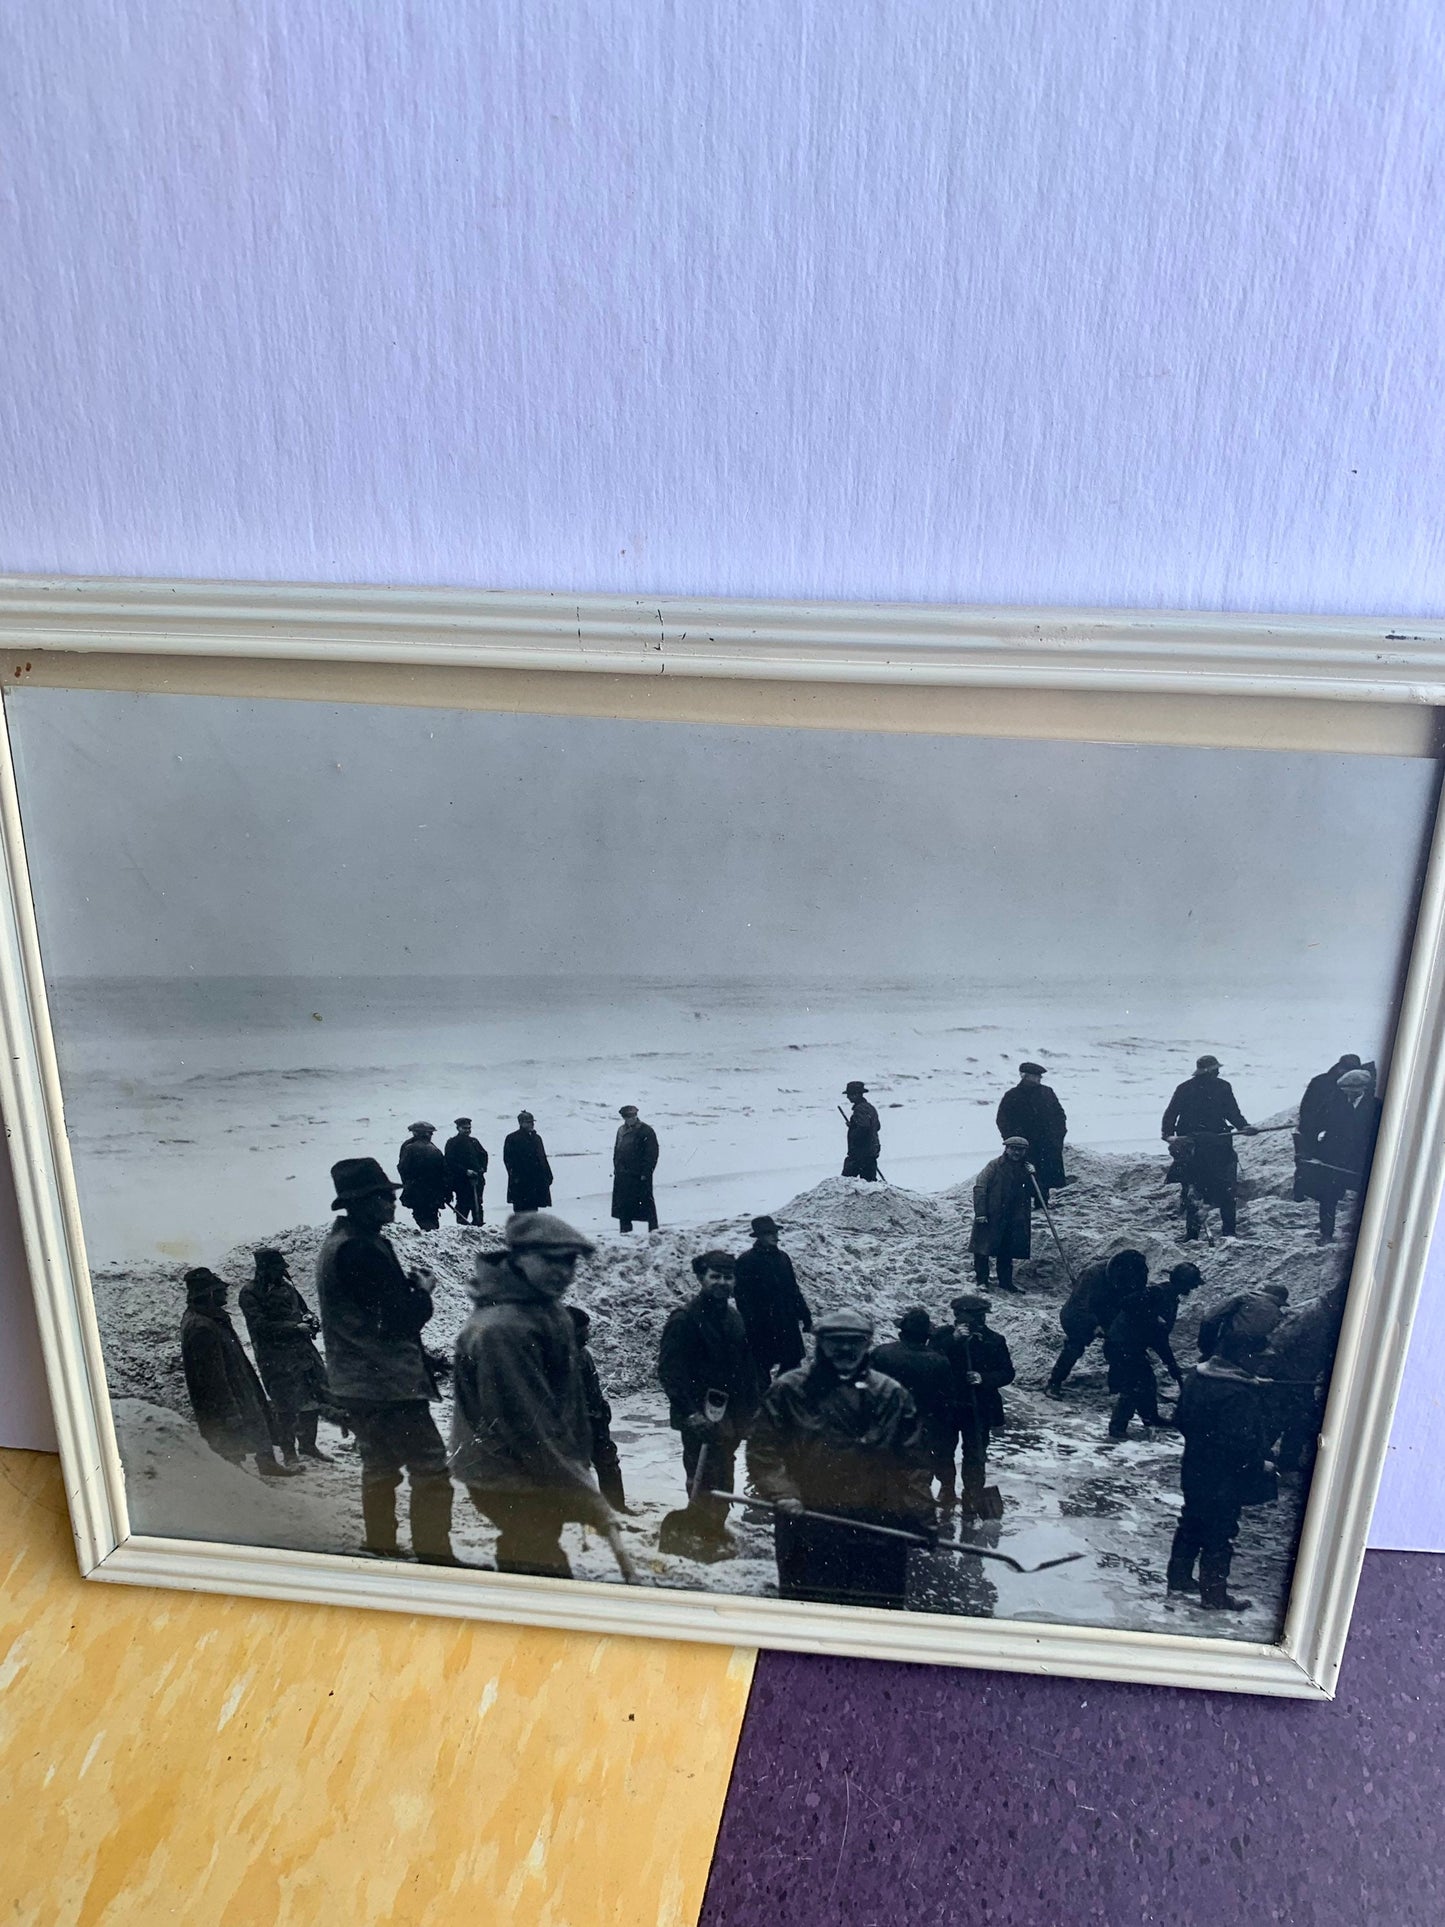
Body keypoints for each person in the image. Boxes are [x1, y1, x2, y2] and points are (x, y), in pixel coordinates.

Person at [451, 1212, 616, 1577]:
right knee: (537, 1556)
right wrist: (585, 1491)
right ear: (519, 1257)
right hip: (505, 1472)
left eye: (569, 1261)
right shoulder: (503, 1329)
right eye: (550, 1259)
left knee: (531, 1547)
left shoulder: (541, 1305)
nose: (563, 1272)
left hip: (529, 1465)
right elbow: (528, 1423)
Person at [315, 1157, 458, 1563]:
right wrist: (424, 1291)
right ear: (359, 1202)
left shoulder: (339, 1245)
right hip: (388, 1384)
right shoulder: (362, 1250)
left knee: (379, 1466)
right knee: (430, 1469)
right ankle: (436, 1557)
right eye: (382, 1197)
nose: (392, 1203)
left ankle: (380, 1546)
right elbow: (399, 1320)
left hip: (356, 1382)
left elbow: (369, 1312)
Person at [748, 1308, 936, 1610]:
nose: (846, 1348)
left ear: (867, 1344)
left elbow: (913, 1463)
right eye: (836, 1341)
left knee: (875, 1618)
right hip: (809, 1523)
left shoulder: (891, 1395)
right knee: (809, 1614)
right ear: (819, 1343)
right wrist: (783, 1493)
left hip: (877, 1528)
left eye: (855, 1341)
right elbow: (763, 1452)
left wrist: (922, 1518)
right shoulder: (789, 1390)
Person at [1166, 1292, 1283, 1611]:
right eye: (1258, 1359)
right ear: (1244, 1358)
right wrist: (1262, 1463)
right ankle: (1214, 1596)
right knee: (1221, 1534)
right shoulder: (1239, 1396)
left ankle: (1178, 1578)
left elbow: (1182, 1420)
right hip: (1224, 1481)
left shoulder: (1198, 1377)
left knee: (1190, 1521)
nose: (1261, 1362)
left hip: (1194, 1468)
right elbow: (1240, 1445)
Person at [657, 1251, 762, 1549]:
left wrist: (751, 1412)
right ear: (702, 1278)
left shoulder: (734, 1319)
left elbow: (746, 1370)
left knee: (724, 1470)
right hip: (698, 1414)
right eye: (715, 1276)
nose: (722, 1283)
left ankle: (714, 1525)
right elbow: (670, 1371)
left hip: (728, 1415)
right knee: (702, 1472)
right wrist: (690, 1413)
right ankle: (699, 1530)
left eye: (728, 1277)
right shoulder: (685, 1319)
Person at [180, 1268, 300, 1478]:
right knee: (229, 1432)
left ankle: (266, 1462)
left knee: (258, 1416)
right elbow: (212, 1379)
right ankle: (235, 1474)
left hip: (238, 1378)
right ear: (208, 1294)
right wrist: (229, 1409)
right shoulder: (201, 1327)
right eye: (219, 1291)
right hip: (227, 1391)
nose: (225, 1294)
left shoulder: (211, 1318)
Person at [238, 1247, 333, 1463]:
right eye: (275, 1268)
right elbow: (259, 1326)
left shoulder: (289, 1288)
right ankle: (289, 1452)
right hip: (276, 1358)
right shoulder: (250, 1292)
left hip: (303, 1353)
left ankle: (308, 1446)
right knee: (286, 1405)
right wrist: (295, 1327)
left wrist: (311, 1320)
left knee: (312, 1399)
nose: (280, 1273)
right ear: (263, 1269)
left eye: (281, 1268)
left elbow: (304, 1310)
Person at [929, 1294, 1015, 1515]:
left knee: (976, 1453)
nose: (973, 1322)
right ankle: (947, 1489)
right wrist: (953, 1341)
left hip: (978, 1406)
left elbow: (1007, 1372)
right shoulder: (942, 1337)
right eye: (963, 1317)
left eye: (978, 1317)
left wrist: (983, 1378)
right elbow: (929, 1361)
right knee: (943, 1451)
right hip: (948, 1405)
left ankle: (972, 1494)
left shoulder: (994, 1340)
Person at [1161, 1056, 1257, 1240]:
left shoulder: (1223, 1087)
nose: (1218, 1072)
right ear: (1206, 1072)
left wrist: (1244, 1127)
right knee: (1192, 1189)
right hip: (1193, 1147)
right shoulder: (1185, 1089)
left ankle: (1229, 1232)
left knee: (1226, 1189)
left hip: (1219, 1145)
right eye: (1214, 1070)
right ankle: (1192, 1233)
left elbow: (1232, 1112)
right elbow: (1171, 1114)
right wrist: (1169, 1135)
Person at [870, 1309, 959, 1504]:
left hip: (887, 1426)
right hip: (923, 1429)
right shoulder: (939, 1361)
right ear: (927, 1337)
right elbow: (947, 1402)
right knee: (918, 1482)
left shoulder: (881, 1353)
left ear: (901, 1332)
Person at [1297, 1067, 1382, 1241]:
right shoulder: (1335, 1102)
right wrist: (1311, 1148)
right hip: (1334, 1159)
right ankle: (1326, 1234)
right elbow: (1315, 1125)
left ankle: (1365, 1237)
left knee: (1368, 1199)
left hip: (1360, 1161)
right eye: (1344, 1090)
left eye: (1349, 1090)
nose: (1346, 1094)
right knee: (1328, 1196)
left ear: (1362, 1088)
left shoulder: (1377, 1107)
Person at [1102, 1253, 1180, 1439]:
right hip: (1121, 1344)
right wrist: (1171, 1364)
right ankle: (1117, 1427)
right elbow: (1158, 1335)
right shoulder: (1156, 1294)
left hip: (1129, 1344)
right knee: (1132, 1386)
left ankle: (1150, 1417)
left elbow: (1159, 1336)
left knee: (1147, 1381)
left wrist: (1171, 1364)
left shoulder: (1167, 1296)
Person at [732, 1215, 813, 1379]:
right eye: (770, 1233)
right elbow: (742, 1297)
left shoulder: (783, 1258)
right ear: (759, 1236)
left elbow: (793, 1289)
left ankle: (783, 1397)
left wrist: (805, 1316)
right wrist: (751, 1322)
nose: (776, 1237)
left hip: (786, 1321)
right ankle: (765, 1400)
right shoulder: (746, 1261)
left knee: (792, 1364)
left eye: (775, 1232)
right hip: (762, 1324)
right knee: (761, 1366)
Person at [568, 1305, 627, 1512]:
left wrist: (601, 1411)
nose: (587, 1334)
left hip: (596, 1419)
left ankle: (616, 1507)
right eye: (583, 1330)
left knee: (608, 1462)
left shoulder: (583, 1354)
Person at [996, 1063, 1069, 1203]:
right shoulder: (1012, 1095)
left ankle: (1042, 1203)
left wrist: (1058, 1135)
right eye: (1036, 1076)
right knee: (1022, 1176)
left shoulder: (1047, 1092)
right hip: (1024, 1144)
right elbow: (1002, 1120)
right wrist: (1012, 1141)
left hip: (1047, 1143)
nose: (1039, 1078)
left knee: (1045, 1175)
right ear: (1025, 1076)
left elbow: (1059, 1115)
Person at [968, 1136, 1033, 1292]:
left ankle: (1006, 1283)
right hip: (991, 1214)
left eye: (1020, 1149)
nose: (1016, 1152)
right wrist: (981, 1213)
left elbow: (1034, 1191)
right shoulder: (994, 1166)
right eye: (1013, 1148)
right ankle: (982, 1281)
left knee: (1006, 1251)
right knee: (983, 1249)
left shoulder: (1025, 1169)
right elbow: (980, 1188)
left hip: (1013, 1216)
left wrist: (1033, 1175)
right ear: (1006, 1149)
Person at [612, 1105, 660, 1232]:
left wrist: (646, 1172)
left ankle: (654, 1231)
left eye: (632, 1116)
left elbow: (652, 1154)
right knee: (624, 1205)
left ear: (636, 1115)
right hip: (623, 1174)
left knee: (647, 1203)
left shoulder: (646, 1130)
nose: (630, 1119)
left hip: (639, 1175)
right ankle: (625, 1232)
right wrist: (616, 1168)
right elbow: (617, 1150)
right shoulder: (621, 1130)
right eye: (627, 1117)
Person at [397, 1122, 452, 1231]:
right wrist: (446, 1193)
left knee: (421, 1216)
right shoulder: (436, 1150)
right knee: (431, 1216)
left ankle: (429, 1234)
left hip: (417, 1191)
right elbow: (445, 1173)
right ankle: (432, 1234)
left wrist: (408, 1183)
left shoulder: (409, 1148)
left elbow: (403, 1168)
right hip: (434, 1193)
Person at [503, 1110, 554, 1213]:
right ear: (521, 1123)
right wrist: (515, 1176)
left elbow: (542, 1158)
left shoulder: (537, 1138)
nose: (532, 1124)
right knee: (520, 1210)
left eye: (532, 1122)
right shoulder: (512, 1138)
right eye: (529, 1122)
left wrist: (548, 1174)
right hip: (520, 1183)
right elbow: (508, 1160)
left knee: (533, 1210)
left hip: (536, 1181)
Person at [444, 1117, 490, 1224]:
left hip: (477, 1180)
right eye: (464, 1128)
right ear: (458, 1128)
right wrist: (465, 1171)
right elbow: (450, 1162)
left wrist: (482, 1168)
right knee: (463, 1205)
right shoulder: (452, 1143)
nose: (467, 1130)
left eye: (469, 1128)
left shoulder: (474, 1141)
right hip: (461, 1182)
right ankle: (463, 1229)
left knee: (477, 1204)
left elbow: (484, 1155)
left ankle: (478, 1226)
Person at [841, 1081, 882, 1181]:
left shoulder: (860, 1109)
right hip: (871, 1151)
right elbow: (877, 1126)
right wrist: (853, 1125)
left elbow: (864, 1128)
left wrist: (854, 1131)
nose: (848, 1097)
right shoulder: (870, 1108)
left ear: (857, 1095)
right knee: (870, 1183)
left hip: (860, 1152)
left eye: (850, 1095)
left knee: (845, 1183)